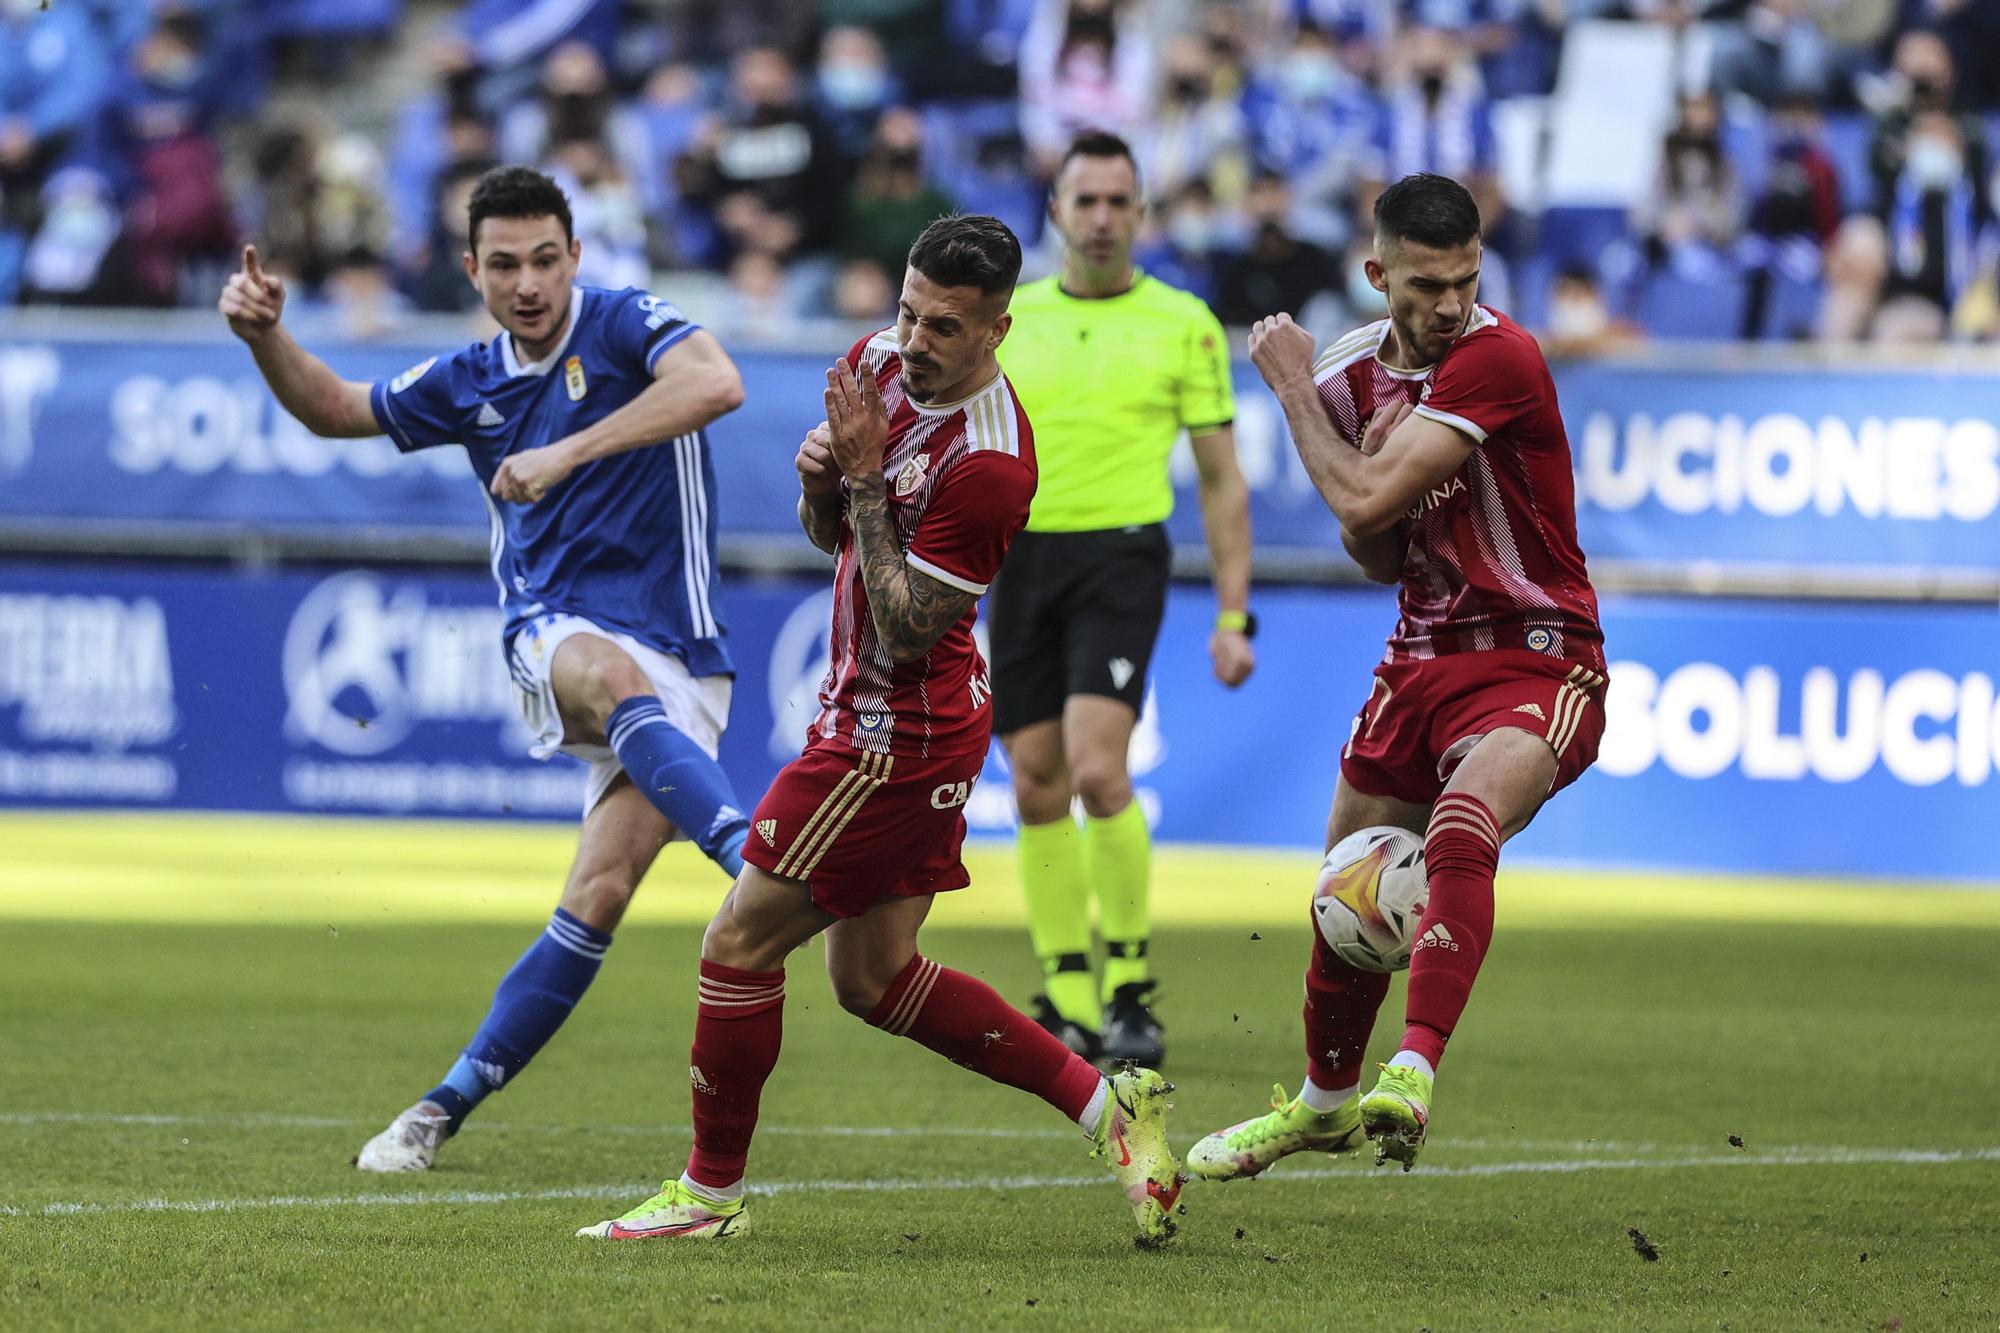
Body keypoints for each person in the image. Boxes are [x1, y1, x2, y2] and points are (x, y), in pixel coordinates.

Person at [575, 214, 1186, 1248]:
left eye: (943, 327)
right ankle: (1108, 1109)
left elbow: (907, 624)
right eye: (907, 310)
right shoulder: (874, 362)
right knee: (873, 978)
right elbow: (835, 546)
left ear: (997, 329)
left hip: (891, 733)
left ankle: (706, 1194)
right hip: (884, 717)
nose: (912, 339)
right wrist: (823, 484)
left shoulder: (992, 463)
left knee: (736, 939)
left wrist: (858, 478)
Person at [218, 166, 755, 1172]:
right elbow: (334, 409)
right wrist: (264, 337)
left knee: (596, 894)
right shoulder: (468, 379)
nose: (528, 283)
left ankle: (436, 1108)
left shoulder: (631, 322)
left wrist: (567, 454)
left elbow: (717, 383)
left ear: (574, 258)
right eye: (503, 264)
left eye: (545, 260)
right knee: (609, 679)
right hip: (552, 630)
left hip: (686, 649)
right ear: (472, 270)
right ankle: (753, 856)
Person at [1187, 172, 1606, 1177]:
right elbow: (1373, 543)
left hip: (1533, 648)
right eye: (1424, 284)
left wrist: (1288, 391)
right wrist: (1354, 463)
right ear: (1376, 275)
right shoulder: (1347, 375)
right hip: (1416, 656)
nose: (1449, 304)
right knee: (1346, 885)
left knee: (1465, 816)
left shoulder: (1496, 355)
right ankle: (1324, 1106)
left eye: (1463, 279)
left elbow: (1367, 489)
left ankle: (1411, 1068)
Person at [993, 131, 1255, 1069]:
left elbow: (1222, 479)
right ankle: (1067, 993)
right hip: (1018, 560)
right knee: (1034, 779)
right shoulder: (1009, 320)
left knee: (1099, 771)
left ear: (1142, 215)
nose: (1101, 217)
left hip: (1122, 558)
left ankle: (1131, 982)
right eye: (1085, 200)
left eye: (1118, 201)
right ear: (1056, 212)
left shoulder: (1183, 322)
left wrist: (1233, 614)